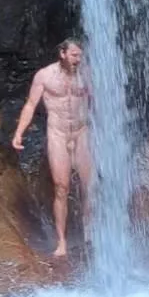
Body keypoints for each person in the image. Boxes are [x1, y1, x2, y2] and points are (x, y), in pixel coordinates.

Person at [12, 38, 92, 260]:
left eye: (80, 55)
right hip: (57, 134)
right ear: (63, 54)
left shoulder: (87, 75)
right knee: (61, 187)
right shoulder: (45, 76)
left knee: (90, 185)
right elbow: (30, 104)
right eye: (75, 55)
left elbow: (100, 101)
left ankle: (89, 230)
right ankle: (62, 242)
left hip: (81, 133)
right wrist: (19, 132)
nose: (79, 59)